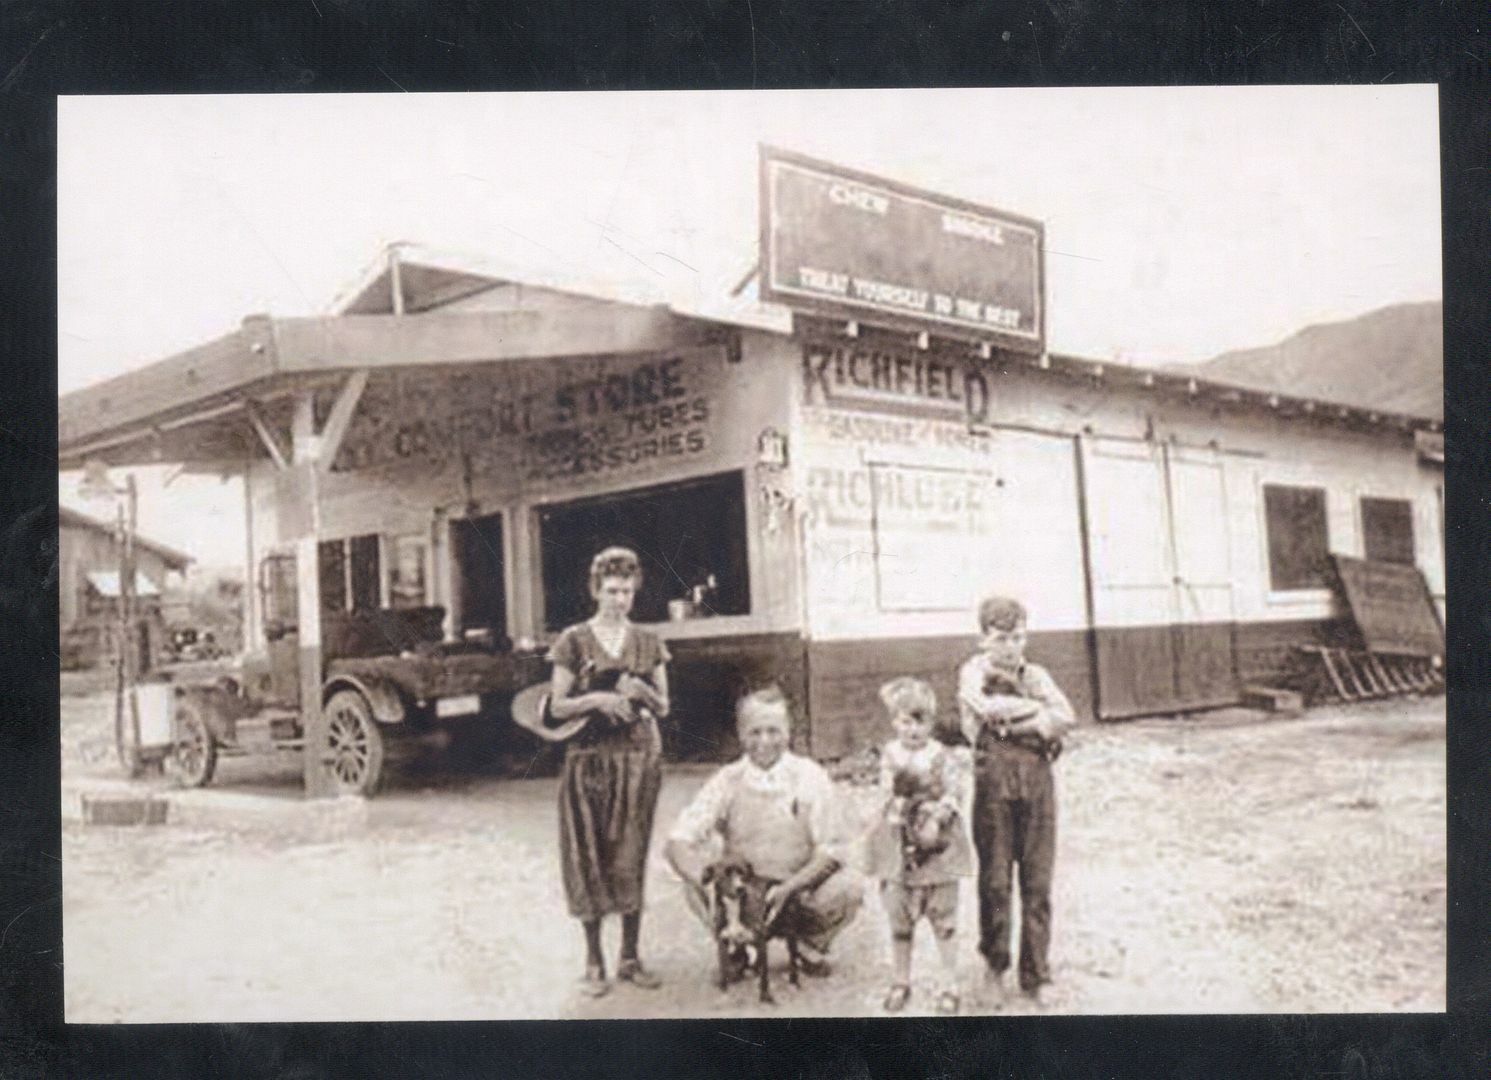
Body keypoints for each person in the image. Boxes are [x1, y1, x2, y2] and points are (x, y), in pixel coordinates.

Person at [663, 684, 862, 977]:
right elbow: (677, 841)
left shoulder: (810, 775)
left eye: (773, 731)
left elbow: (832, 851)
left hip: (797, 892)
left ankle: (810, 946)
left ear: (788, 731)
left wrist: (788, 888)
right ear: (741, 733)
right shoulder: (727, 779)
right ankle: (737, 946)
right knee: (690, 888)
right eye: (754, 732)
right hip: (744, 898)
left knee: (850, 886)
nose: (764, 741)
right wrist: (711, 884)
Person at [546, 546, 670, 997]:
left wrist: (641, 691)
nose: (620, 599)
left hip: (638, 758)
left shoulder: (648, 641)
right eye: (612, 590)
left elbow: (665, 704)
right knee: (588, 853)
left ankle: (631, 957)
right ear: (595, 589)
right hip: (587, 758)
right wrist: (598, 699)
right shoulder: (574, 640)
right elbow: (557, 705)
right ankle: (594, 960)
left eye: (628, 591)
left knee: (630, 852)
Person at [957, 595, 1076, 1005]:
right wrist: (1034, 717)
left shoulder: (1037, 673)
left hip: (1038, 784)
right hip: (993, 784)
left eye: (1018, 637)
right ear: (983, 639)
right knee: (994, 880)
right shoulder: (972, 672)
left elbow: (1064, 717)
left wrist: (1016, 720)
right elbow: (985, 710)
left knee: (1038, 881)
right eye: (1002, 638)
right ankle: (994, 964)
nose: (1011, 647)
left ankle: (1037, 974)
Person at [863, 676, 973, 1014]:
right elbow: (887, 794)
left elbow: (956, 791)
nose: (913, 730)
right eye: (905, 721)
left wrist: (938, 815)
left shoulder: (941, 755)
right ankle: (901, 980)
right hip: (899, 844)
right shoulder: (890, 755)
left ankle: (950, 984)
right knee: (899, 917)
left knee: (944, 919)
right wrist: (894, 809)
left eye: (921, 721)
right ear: (894, 722)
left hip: (936, 844)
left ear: (932, 722)